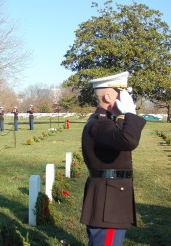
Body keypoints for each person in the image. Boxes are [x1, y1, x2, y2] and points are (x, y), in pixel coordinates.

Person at [80, 71, 146, 246]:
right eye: (122, 93)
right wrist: (131, 114)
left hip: (112, 198)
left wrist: (124, 117)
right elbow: (129, 140)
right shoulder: (99, 124)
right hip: (108, 204)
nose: (127, 98)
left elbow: (122, 138)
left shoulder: (107, 122)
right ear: (109, 96)